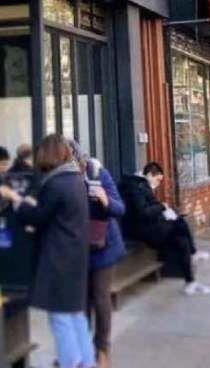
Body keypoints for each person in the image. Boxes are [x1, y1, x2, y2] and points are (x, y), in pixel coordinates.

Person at [0, 135, 95, 368]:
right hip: (76, 256)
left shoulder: (56, 183)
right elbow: (55, 213)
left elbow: (38, 216)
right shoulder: (75, 180)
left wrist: (16, 199)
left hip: (59, 258)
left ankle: (70, 362)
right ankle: (86, 362)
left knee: (60, 317)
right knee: (76, 315)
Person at [119, 162, 210, 296]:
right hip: (140, 230)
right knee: (179, 223)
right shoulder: (135, 188)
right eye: (158, 180)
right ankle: (193, 254)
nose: (158, 183)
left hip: (151, 226)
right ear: (150, 175)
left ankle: (190, 283)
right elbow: (143, 213)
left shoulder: (143, 185)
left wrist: (164, 209)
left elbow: (152, 206)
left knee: (182, 241)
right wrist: (162, 207)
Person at [72, 142, 125, 368]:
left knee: (101, 297)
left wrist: (105, 200)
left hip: (103, 246)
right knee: (81, 301)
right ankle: (82, 350)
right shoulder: (63, 179)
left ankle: (102, 350)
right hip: (78, 248)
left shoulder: (98, 174)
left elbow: (120, 208)